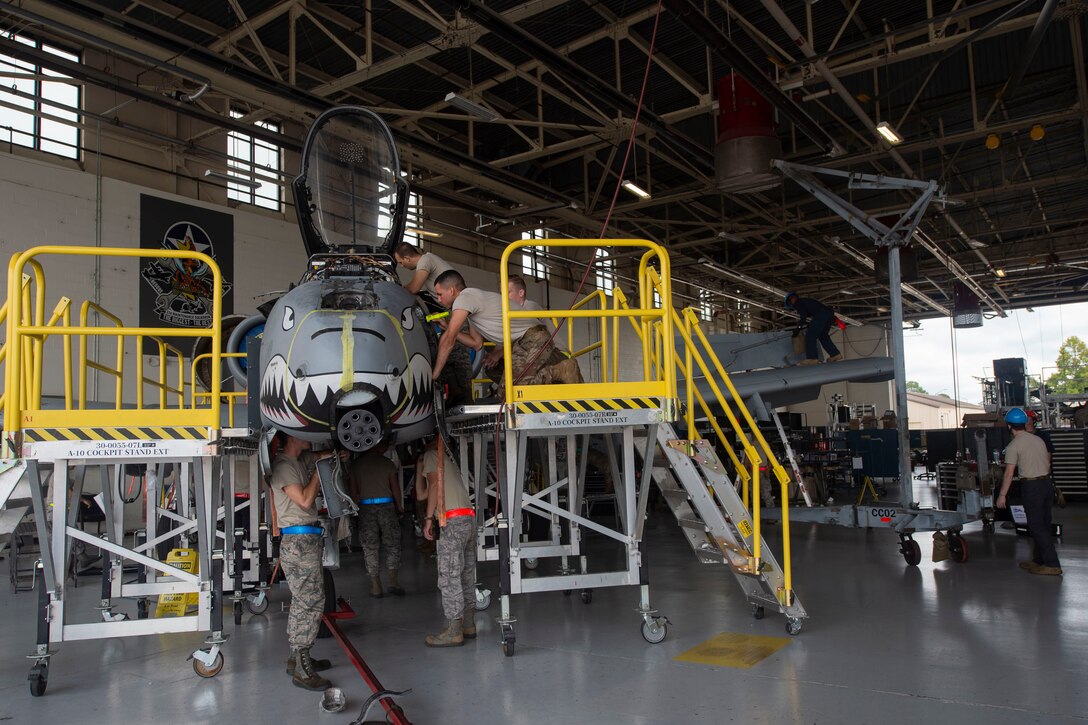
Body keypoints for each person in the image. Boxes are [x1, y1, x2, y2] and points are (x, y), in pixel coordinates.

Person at [430, 270, 582, 393]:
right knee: (495, 373)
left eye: (439, 294)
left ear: (451, 290)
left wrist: (434, 375)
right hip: (521, 343)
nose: (438, 299)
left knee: (514, 392)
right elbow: (476, 344)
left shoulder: (464, 298)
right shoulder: (472, 307)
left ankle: (561, 370)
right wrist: (446, 328)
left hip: (533, 338)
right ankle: (551, 380)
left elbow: (448, 339)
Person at [269, 431, 340, 690]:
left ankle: (296, 658)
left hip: (306, 541)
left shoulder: (299, 459)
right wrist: (319, 473)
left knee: (304, 600)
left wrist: (333, 454)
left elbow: (318, 455)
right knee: (309, 601)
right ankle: (302, 667)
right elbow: (306, 500)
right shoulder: (284, 467)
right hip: (298, 544)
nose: (310, 436)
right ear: (291, 437)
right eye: (303, 433)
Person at [416, 436, 477, 647]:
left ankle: (453, 631)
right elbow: (421, 494)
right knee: (466, 574)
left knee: (449, 576)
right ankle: (467, 624)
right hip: (467, 518)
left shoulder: (434, 455)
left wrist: (427, 519)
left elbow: (432, 487)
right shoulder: (446, 460)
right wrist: (419, 468)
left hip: (452, 520)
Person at [996, 407, 1061, 576]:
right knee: (1044, 524)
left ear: (1009, 426)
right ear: (1024, 423)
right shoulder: (1038, 440)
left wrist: (1002, 495)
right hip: (1046, 484)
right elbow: (1047, 463)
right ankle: (1038, 561)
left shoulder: (1014, 445)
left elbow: (1009, 473)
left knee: (1036, 526)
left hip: (1032, 487)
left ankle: (1052, 563)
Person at [348, 441, 405, 599]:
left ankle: (375, 585)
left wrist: (354, 509)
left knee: (370, 546)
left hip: (365, 508)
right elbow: (395, 488)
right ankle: (393, 581)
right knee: (393, 543)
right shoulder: (387, 463)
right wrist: (399, 506)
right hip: (386, 506)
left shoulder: (356, 465)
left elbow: (353, 491)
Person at [783, 291, 842, 365]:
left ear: (791, 300)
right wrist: (810, 325)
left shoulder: (798, 303)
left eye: (790, 302)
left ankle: (812, 358)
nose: (792, 304)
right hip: (829, 314)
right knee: (823, 336)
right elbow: (815, 311)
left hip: (821, 315)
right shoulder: (805, 301)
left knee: (810, 336)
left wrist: (798, 328)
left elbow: (803, 317)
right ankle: (835, 354)